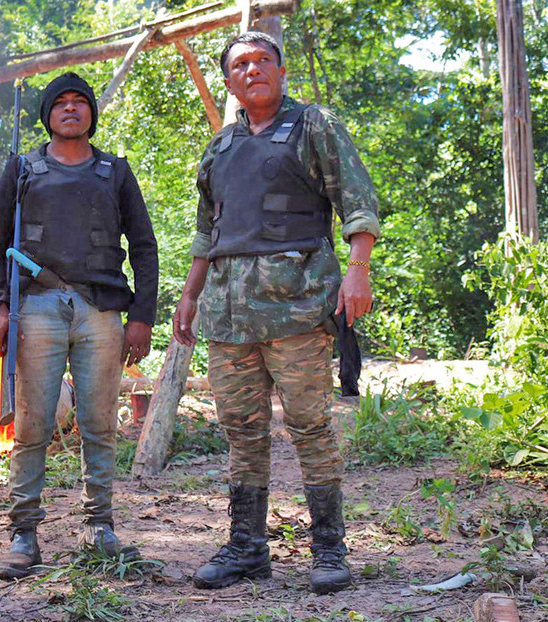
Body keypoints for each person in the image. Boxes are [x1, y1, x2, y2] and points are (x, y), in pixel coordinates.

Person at [171, 32, 380, 594]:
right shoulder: (219, 148)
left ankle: (330, 550)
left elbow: (358, 203)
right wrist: (190, 294)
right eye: (241, 64)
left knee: (311, 427)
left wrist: (357, 272)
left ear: (281, 72)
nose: (253, 69)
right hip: (229, 316)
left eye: (264, 61)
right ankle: (246, 548)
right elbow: (205, 232)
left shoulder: (315, 126)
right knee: (242, 432)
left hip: (298, 309)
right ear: (229, 81)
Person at [0, 72, 159, 580]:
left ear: (92, 114)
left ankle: (98, 525)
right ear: (47, 114)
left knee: (99, 423)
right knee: (33, 424)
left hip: (101, 310)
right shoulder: (23, 169)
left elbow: (144, 247)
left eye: (82, 102)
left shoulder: (114, 172)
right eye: (62, 103)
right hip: (35, 307)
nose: (72, 109)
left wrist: (142, 315)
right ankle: (24, 531)